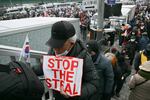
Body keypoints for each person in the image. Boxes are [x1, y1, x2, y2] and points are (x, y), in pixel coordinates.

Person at [46, 21, 99, 100]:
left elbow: (94, 84)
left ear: (71, 42)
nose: (55, 49)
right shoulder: (52, 51)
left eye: (59, 45)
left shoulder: (84, 57)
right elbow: (45, 67)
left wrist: (74, 93)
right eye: (54, 44)